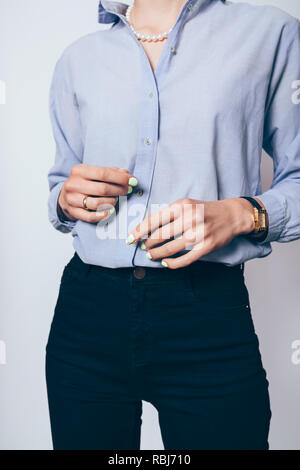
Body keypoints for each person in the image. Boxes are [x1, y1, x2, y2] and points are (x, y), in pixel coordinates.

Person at [45, 0, 300, 450]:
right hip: (86, 315)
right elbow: (62, 186)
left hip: (207, 316)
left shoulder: (271, 35)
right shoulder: (77, 59)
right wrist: (66, 201)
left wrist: (242, 212)